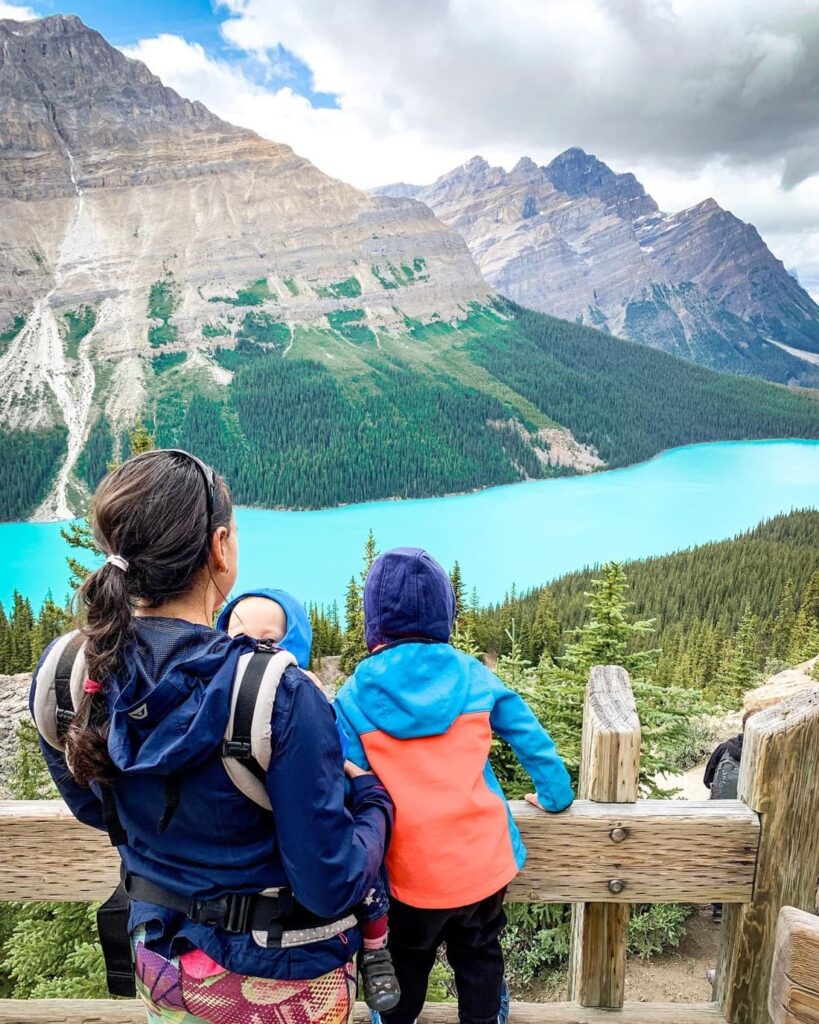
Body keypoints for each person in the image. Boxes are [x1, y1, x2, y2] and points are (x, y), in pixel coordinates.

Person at [29, 450, 393, 1024]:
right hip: (287, 982)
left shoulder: (66, 672)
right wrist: (374, 803)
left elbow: (96, 807)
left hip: (165, 966)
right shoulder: (279, 693)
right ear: (219, 547)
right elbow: (330, 883)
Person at [334, 547, 575, 1024]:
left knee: (407, 961)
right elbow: (531, 739)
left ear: (373, 621)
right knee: (480, 955)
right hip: (482, 864)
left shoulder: (354, 694)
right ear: (445, 613)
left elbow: (352, 782)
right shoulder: (472, 674)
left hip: (406, 872)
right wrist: (554, 796)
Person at [217, 589, 400, 1012]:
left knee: (371, 883)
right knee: (363, 869)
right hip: (283, 866)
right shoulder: (222, 691)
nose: (251, 645)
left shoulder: (301, 693)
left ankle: (376, 949)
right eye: (238, 633)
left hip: (304, 817)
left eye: (269, 637)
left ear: (294, 644)